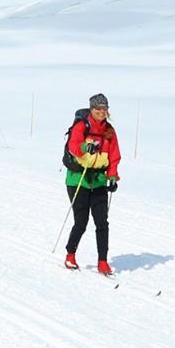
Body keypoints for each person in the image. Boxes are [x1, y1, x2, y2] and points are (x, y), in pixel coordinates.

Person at [62, 93, 121, 274]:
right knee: (81, 222)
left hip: (99, 181)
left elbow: (114, 156)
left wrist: (112, 177)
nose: (102, 112)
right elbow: (73, 146)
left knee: (102, 222)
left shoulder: (109, 131)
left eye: (105, 109)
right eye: (98, 109)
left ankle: (102, 261)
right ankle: (70, 255)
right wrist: (84, 147)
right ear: (91, 109)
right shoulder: (81, 126)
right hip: (78, 179)